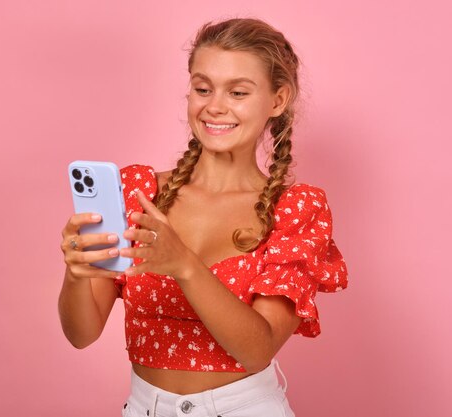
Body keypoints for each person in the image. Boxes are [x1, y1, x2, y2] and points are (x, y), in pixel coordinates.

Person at [58, 17, 349, 417]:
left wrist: (185, 266)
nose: (214, 106)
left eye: (238, 92)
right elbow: (82, 334)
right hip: (143, 407)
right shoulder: (140, 192)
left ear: (278, 100)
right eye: (202, 88)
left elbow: (257, 349)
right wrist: (75, 274)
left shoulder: (295, 209)